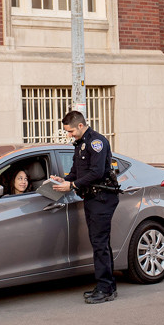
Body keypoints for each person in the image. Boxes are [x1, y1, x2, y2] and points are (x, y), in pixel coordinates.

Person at [49, 110, 119, 303]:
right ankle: (108, 286)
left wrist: (72, 186)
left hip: (102, 198)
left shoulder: (96, 142)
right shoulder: (80, 144)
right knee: (100, 242)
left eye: (70, 131)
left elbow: (96, 172)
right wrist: (64, 179)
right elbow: (76, 172)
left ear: (80, 125)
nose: (68, 135)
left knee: (99, 243)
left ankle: (105, 289)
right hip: (92, 198)